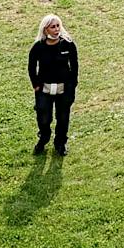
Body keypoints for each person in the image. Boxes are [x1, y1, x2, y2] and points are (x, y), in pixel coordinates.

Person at [28, 13, 78, 155]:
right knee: (44, 118)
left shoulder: (68, 44)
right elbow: (31, 67)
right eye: (52, 27)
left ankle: (60, 144)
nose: (56, 29)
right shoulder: (38, 47)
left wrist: (72, 86)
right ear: (45, 30)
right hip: (44, 90)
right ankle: (44, 138)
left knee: (63, 119)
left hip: (64, 90)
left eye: (58, 26)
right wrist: (36, 85)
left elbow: (74, 67)